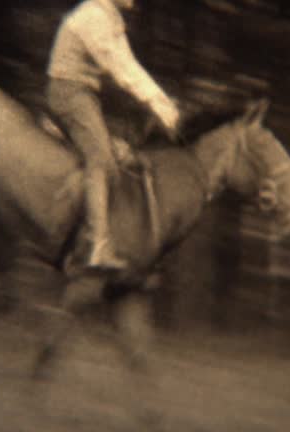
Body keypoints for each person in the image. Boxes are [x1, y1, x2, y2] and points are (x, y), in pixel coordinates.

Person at [46, 0, 180, 270]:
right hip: (69, 93)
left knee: (123, 153)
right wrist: (159, 104)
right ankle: (98, 246)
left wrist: (162, 102)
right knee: (101, 160)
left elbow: (129, 63)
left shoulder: (109, 17)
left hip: (85, 94)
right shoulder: (94, 16)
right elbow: (122, 70)